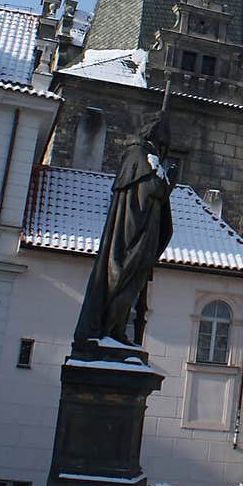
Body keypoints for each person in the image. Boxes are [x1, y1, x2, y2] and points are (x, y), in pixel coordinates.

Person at [72, 109, 173, 349]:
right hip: (132, 234)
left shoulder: (146, 156)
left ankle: (116, 330)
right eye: (164, 139)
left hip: (142, 231)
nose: (165, 145)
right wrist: (170, 179)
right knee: (123, 280)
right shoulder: (138, 154)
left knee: (132, 285)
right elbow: (153, 190)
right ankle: (109, 329)